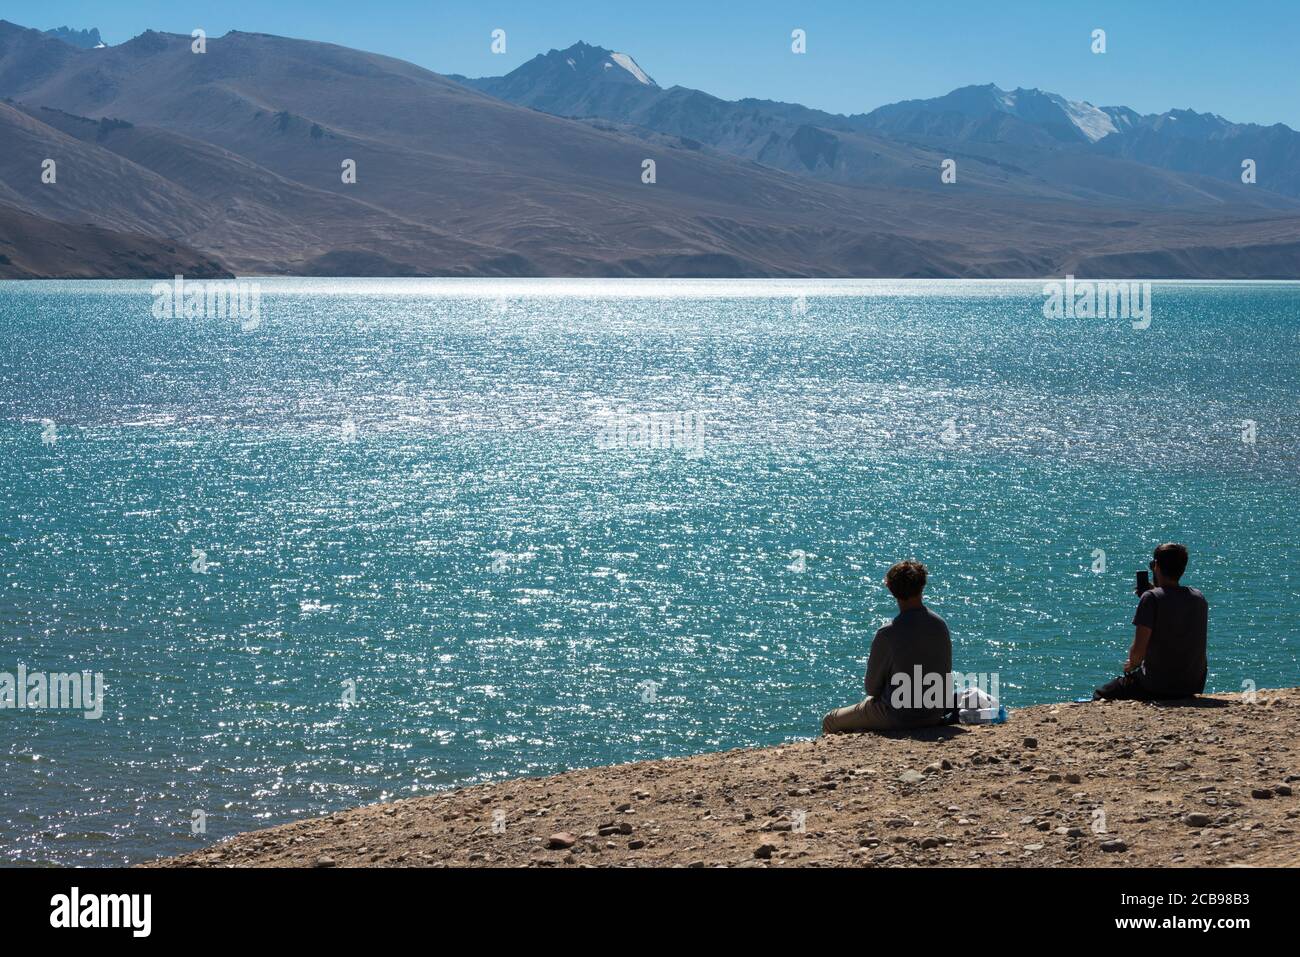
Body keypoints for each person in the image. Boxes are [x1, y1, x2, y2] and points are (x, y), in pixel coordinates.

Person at [822, 560, 953, 734]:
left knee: (830, 719)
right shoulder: (940, 624)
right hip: (934, 713)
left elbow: (872, 688)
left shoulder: (887, 633)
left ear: (891, 590)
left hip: (899, 716)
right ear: (922, 585)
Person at [1094, 543, 1208, 701]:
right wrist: (1153, 592)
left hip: (1156, 686)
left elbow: (1137, 655)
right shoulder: (1199, 597)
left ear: (1157, 565)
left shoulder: (1151, 599)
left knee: (1102, 693)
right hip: (1191, 685)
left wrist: (1131, 664)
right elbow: (1174, 605)